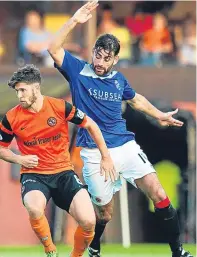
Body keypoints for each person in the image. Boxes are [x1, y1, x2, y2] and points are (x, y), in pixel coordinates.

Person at [48, 1, 193, 257]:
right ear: (93, 52)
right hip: (93, 152)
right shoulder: (78, 70)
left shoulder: (118, 80)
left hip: (125, 147)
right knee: (105, 213)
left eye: (106, 58)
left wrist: (159, 115)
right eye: (97, 55)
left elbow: (135, 99)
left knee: (158, 191)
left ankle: (178, 252)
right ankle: (94, 246)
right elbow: (52, 47)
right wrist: (74, 21)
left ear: (116, 59)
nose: (100, 62)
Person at [0, 64, 115, 257]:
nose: (19, 96)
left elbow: (91, 125)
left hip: (64, 173)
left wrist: (106, 156)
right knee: (34, 208)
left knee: (89, 222)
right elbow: (1, 148)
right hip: (34, 175)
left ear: (36, 88)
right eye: (17, 91)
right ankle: (50, 250)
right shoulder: (11, 117)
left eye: (23, 90)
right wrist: (20, 159)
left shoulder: (59, 107)